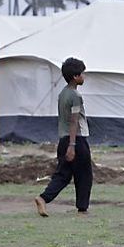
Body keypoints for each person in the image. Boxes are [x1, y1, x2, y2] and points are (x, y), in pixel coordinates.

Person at [35, 57, 93, 216]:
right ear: (75, 76)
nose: (84, 77)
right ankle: (82, 208)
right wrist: (72, 145)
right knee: (84, 175)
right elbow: (74, 121)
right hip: (76, 140)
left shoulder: (63, 93)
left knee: (63, 175)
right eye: (82, 74)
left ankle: (43, 198)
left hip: (63, 138)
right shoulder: (75, 96)